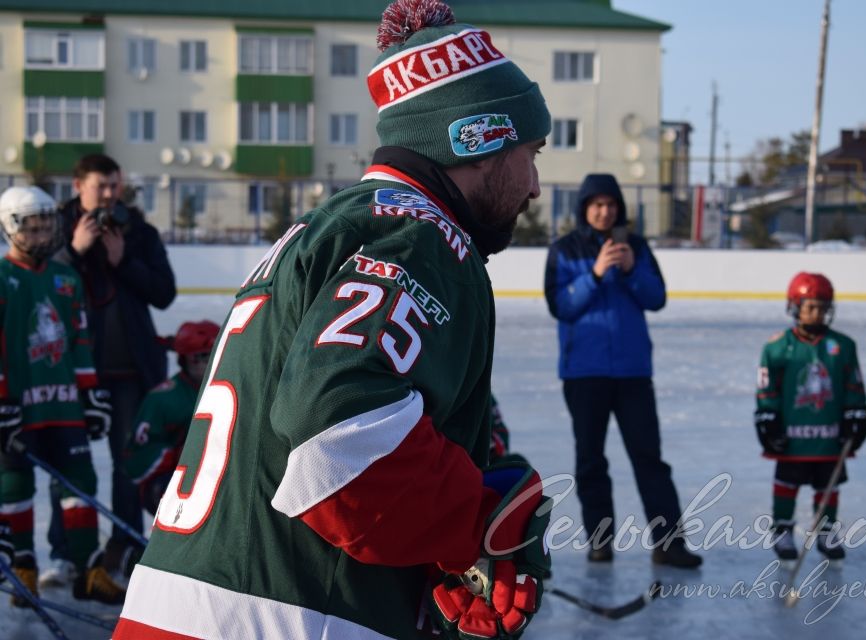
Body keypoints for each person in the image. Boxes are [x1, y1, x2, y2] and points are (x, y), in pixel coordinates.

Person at [114, 1, 552, 638]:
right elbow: (337, 434)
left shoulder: (327, 229)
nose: (536, 186)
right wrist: (476, 525)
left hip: (171, 604)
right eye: (532, 153)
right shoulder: (422, 236)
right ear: (481, 139)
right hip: (283, 616)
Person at [544, 173, 702, 568]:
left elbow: (657, 298)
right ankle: (601, 541)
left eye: (611, 205)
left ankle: (670, 544)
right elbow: (561, 305)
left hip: (632, 372)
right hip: (584, 372)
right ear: (584, 209)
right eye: (596, 205)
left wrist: (632, 269)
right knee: (591, 461)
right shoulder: (564, 249)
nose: (604, 211)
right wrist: (595, 274)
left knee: (649, 459)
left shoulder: (638, 246)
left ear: (620, 209)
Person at [45, 152, 176, 583]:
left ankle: (125, 546)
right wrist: (73, 252)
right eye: (101, 185)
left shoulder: (138, 232)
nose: (109, 194)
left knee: (126, 464)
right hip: (71, 369)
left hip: (128, 370)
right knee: (67, 461)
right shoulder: (57, 232)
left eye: (114, 185)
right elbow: (44, 292)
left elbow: (164, 293)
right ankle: (66, 553)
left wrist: (124, 261)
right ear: (78, 185)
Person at [0, 185, 125, 606]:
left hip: (64, 405)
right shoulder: (2, 279)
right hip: (18, 408)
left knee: (81, 483)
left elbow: (80, 343)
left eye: (46, 226)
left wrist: (90, 396)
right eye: (33, 229)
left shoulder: (66, 277)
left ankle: (87, 569)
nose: (43, 236)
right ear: (11, 228)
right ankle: (23, 569)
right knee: (14, 486)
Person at [754, 272, 866, 564]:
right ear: (795, 307)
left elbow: (854, 386)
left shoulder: (843, 346)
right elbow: (767, 389)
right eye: (810, 307)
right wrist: (767, 419)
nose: (817, 314)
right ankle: (782, 531)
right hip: (793, 434)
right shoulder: (778, 347)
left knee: (828, 483)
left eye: (822, 307)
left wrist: (857, 415)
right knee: (786, 482)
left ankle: (827, 532)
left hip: (829, 434)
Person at [124, 321, 217, 516]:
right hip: (175, 479)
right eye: (201, 356)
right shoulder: (162, 400)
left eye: (215, 355)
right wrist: (177, 455)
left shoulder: (237, 389)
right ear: (184, 359)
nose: (209, 363)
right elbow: (134, 459)